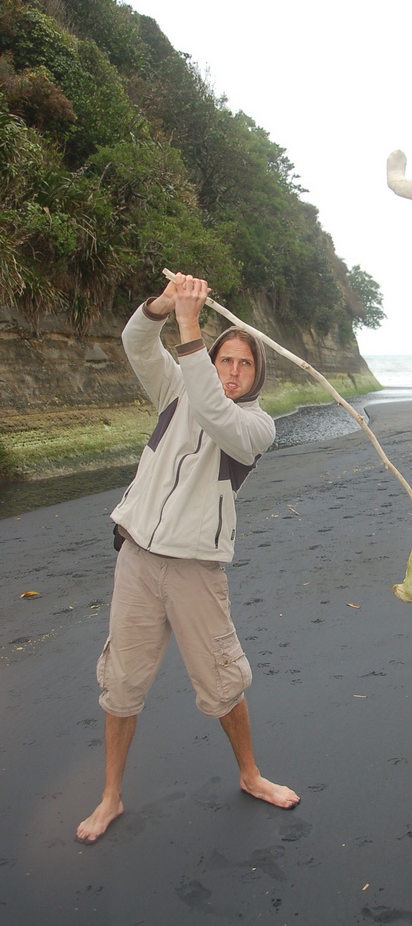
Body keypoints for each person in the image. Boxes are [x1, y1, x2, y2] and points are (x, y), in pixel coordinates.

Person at [76, 272, 300, 844]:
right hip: (137, 559)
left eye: (244, 364)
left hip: (196, 570)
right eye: (225, 360)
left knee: (222, 681)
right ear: (213, 360)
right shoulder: (175, 389)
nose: (233, 371)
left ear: (256, 376)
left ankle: (250, 774)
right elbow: (135, 342)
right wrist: (164, 304)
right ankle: (110, 796)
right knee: (121, 683)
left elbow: (214, 411)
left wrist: (191, 328)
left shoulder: (257, 426)